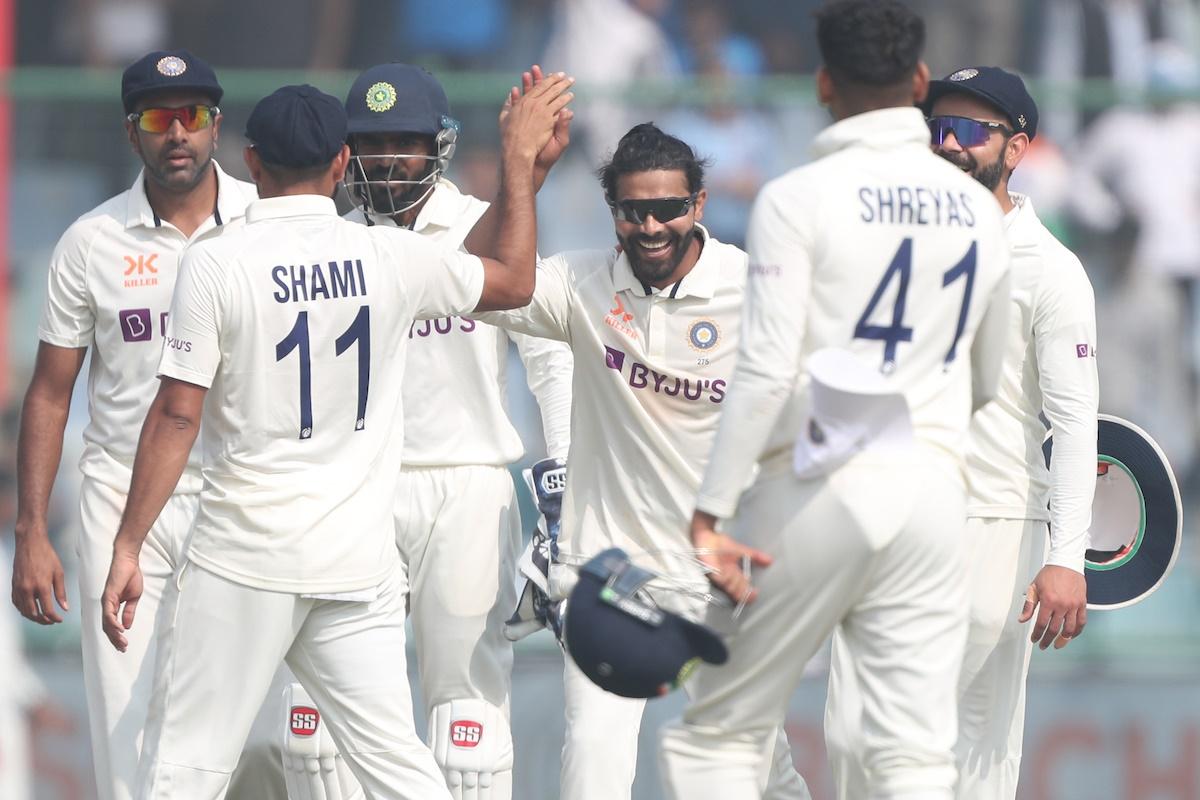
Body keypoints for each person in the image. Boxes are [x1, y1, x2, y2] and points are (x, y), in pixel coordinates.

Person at [97, 77, 573, 799]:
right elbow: (510, 281)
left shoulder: (218, 260)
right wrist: (517, 162)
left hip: (250, 551)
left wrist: (128, 542)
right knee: (383, 764)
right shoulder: (382, 255)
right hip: (355, 552)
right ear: (341, 160)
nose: (382, 161)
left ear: (250, 164)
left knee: (188, 766)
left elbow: (175, 416)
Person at [657, 2, 1013, 798]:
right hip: (933, 494)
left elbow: (765, 371)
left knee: (720, 730)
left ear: (823, 83)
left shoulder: (797, 197)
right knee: (915, 754)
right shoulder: (982, 215)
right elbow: (986, 378)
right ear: (919, 82)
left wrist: (710, 511)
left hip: (822, 477)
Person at [473, 121, 809, 800]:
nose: (652, 227)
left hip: (719, 580)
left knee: (753, 773)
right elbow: (473, 282)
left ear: (700, 205)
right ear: (615, 214)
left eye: (668, 209)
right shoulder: (580, 282)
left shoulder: (755, 288)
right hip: (608, 577)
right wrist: (522, 178)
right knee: (592, 770)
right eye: (634, 212)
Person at [279, 61, 575, 800]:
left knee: (465, 722)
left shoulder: (489, 225)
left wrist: (565, 477)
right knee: (314, 728)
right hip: (352, 489)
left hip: (466, 489)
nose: (386, 159)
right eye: (371, 144)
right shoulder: (324, 240)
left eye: (403, 142)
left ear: (438, 145)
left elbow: (549, 357)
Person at [824, 66, 1098, 800]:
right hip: (890, 518)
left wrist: (1067, 557)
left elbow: (1075, 426)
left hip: (995, 526)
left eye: (971, 132)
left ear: (1015, 150)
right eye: (936, 128)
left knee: (973, 756)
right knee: (855, 740)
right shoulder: (889, 244)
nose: (948, 145)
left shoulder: (1053, 270)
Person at [7, 49, 268, 800]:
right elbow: (51, 395)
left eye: (192, 116)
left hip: (241, 493)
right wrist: (32, 532)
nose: (177, 132)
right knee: (129, 729)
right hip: (120, 497)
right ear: (132, 133)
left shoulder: (264, 222)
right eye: (159, 117)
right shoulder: (91, 242)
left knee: (254, 733)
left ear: (217, 126)